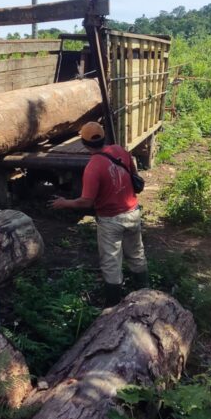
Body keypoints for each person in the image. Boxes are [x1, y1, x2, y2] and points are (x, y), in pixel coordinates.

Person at [49, 121, 148, 307]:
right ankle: (145, 296)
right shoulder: (120, 151)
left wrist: (64, 203)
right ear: (103, 137)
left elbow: (86, 201)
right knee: (136, 254)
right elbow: (134, 174)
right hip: (133, 212)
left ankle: (113, 307)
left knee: (111, 263)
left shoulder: (93, 167)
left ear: (84, 143)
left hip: (111, 221)